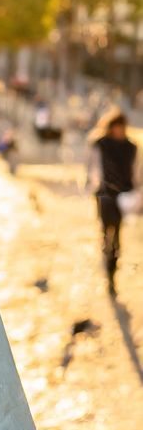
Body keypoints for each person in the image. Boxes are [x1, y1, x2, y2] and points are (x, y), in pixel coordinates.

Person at [88, 107, 139, 295]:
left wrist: (136, 194)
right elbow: (93, 168)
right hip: (104, 194)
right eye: (116, 127)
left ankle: (112, 272)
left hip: (123, 196)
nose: (119, 130)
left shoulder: (131, 147)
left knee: (117, 235)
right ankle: (105, 247)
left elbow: (136, 172)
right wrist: (92, 187)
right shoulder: (101, 144)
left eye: (121, 127)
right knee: (105, 228)